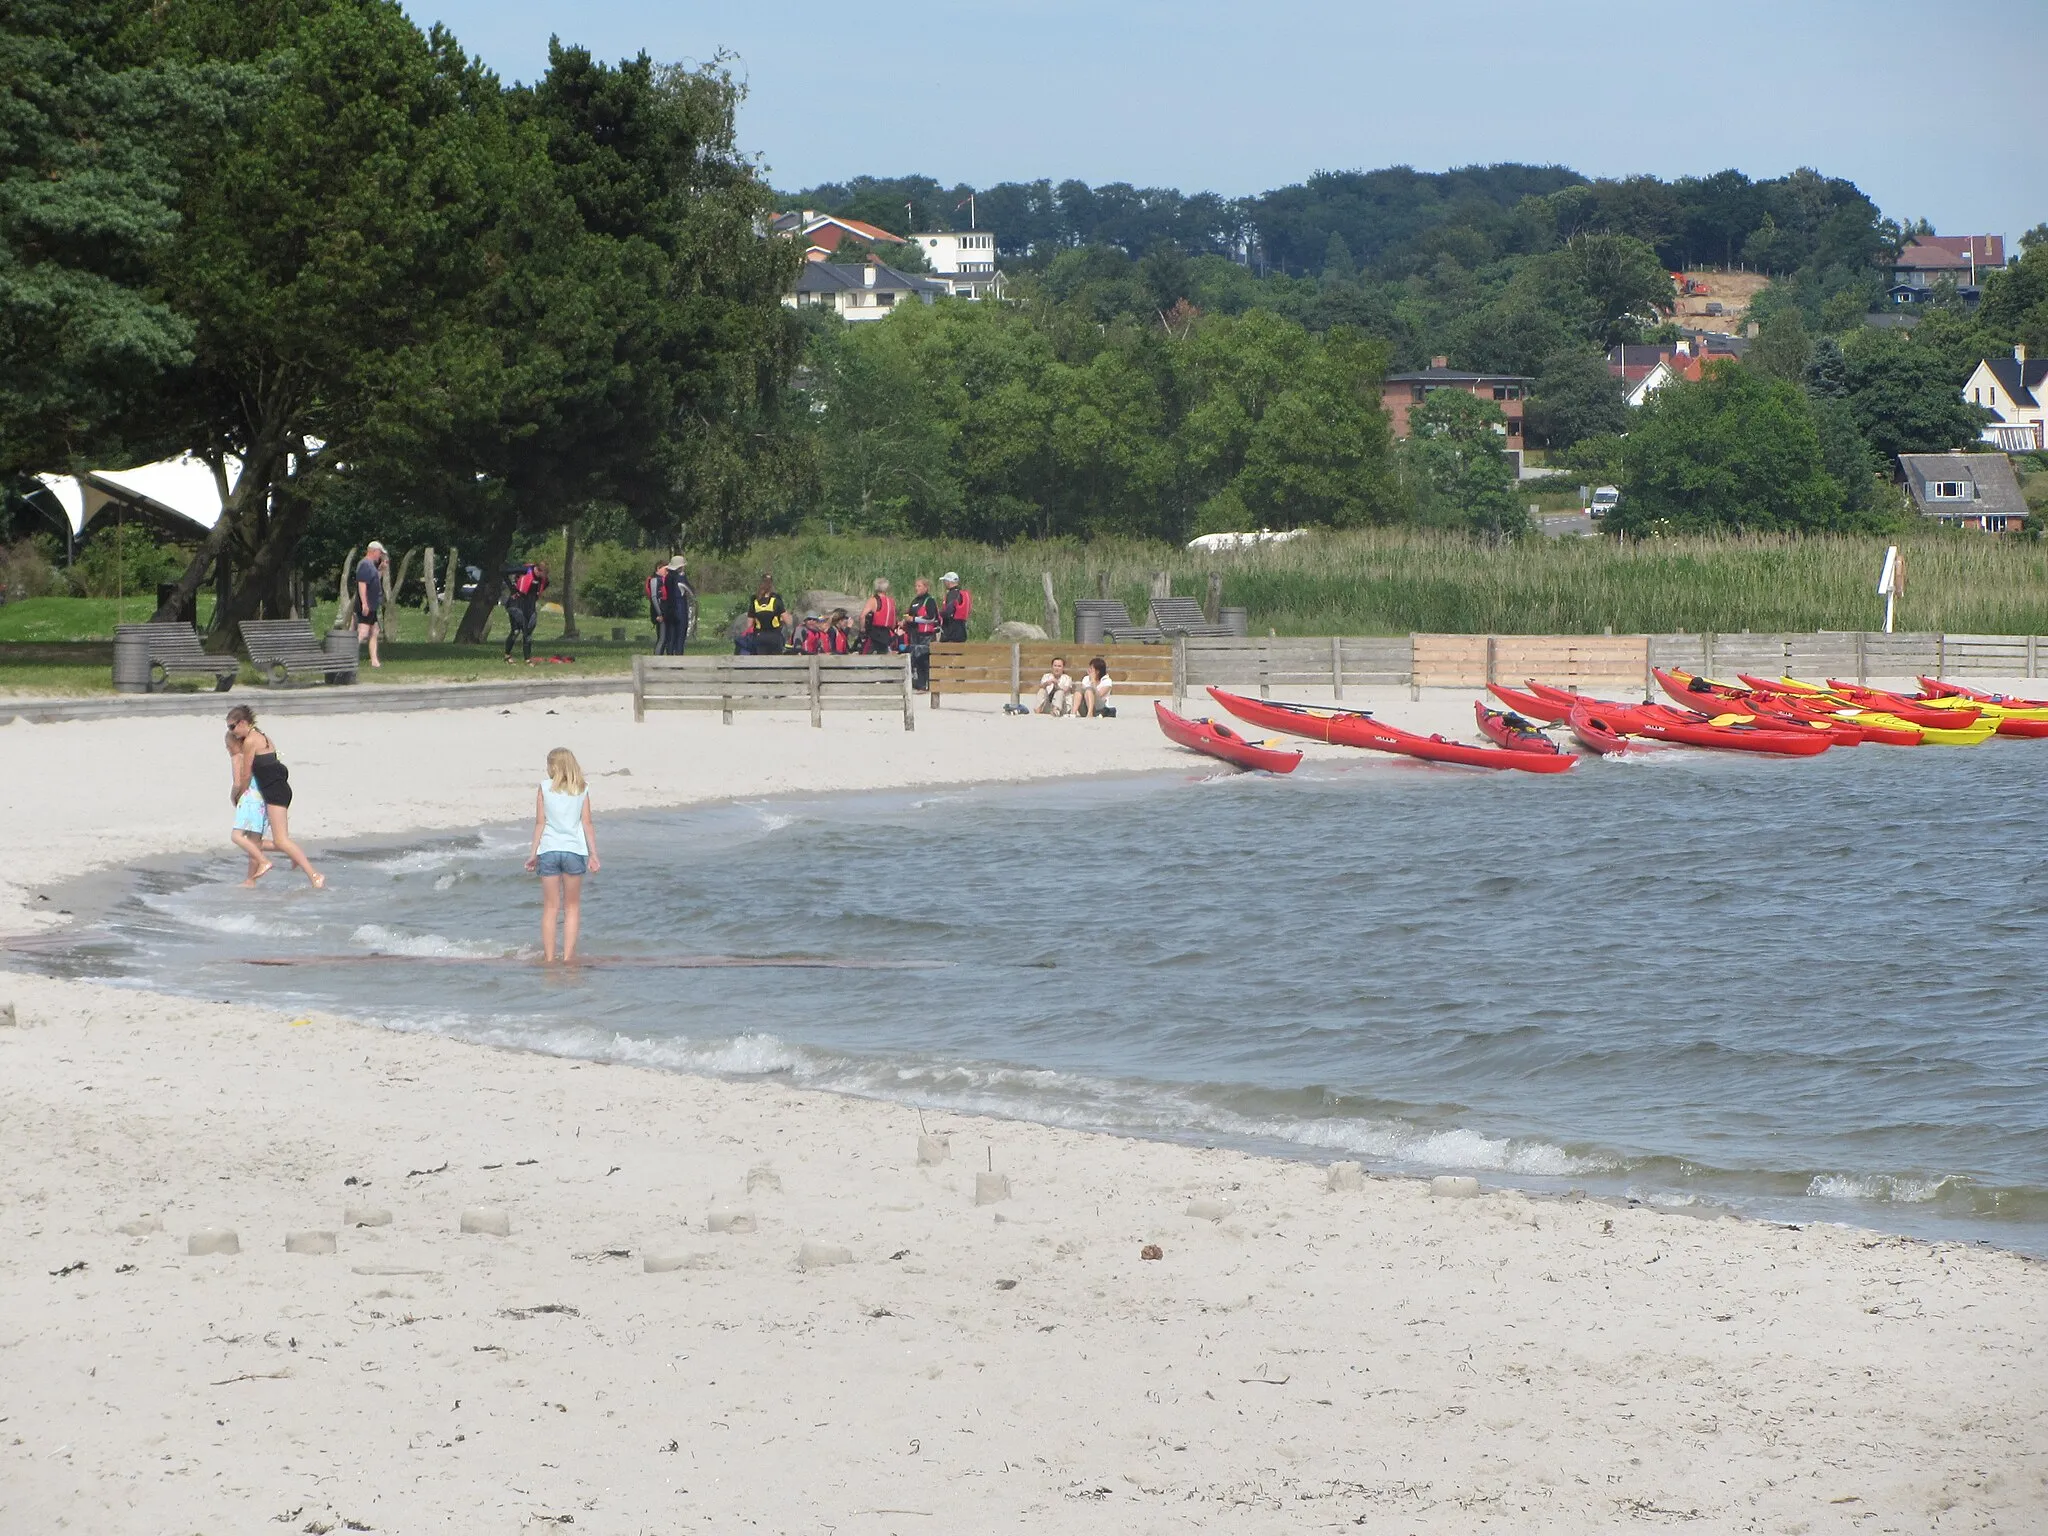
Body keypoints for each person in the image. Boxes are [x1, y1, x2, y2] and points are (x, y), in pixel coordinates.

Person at [225, 705, 323, 889]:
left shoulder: (250, 741)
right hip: (277, 789)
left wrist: (239, 795)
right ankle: (251, 880)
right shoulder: (264, 737)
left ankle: (315, 875)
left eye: (232, 727)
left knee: (281, 840)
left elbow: (245, 775)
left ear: (243, 722)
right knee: (259, 841)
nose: (231, 732)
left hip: (276, 792)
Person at [523, 746, 599, 963]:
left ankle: (549, 959)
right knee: (572, 907)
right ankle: (567, 958)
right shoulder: (581, 788)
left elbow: (540, 823)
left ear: (553, 767)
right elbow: (587, 823)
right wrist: (593, 854)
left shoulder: (544, 788)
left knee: (550, 908)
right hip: (574, 850)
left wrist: (533, 853)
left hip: (549, 850)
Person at [227, 728, 272, 885]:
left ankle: (263, 861)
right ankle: (250, 880)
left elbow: (238, 782)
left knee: (237, 836)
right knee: (254, 841)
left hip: (249, 798)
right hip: (261, 798)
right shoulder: (251, 756)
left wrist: (234, 796)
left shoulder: (237, 758)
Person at [504, 559, 547, 662]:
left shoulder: (543, 579)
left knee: (528, 632)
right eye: (542, 573)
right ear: (537, 570)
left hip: (529, 606)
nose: (543, 576)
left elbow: (544, 585)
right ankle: (507, 656)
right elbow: (504, 572)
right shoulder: (525, 570)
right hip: (515, 604)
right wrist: (512, 589)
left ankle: (527, 659)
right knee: (516, 631)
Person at [355, 541, 386, 669]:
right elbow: (362, 584)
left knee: (374, 631)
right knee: (362, 632)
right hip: (366, 604)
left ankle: (374, 661)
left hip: (372, 604)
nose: (380, 556)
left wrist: (381, 570)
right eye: (380, 553)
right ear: (373, 551)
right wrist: (364, 604)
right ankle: (348, 656)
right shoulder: (365, 565)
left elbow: (374, 580)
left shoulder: (372, 566)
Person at [738, 573, 787, 655]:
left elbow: (749, 623)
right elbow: (786, 619)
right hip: (774, 636)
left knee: (762, 662)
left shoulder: (755, 600)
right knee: (776, 662)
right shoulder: (776, 599)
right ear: (771, 584)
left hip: (760, 636)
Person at [905, 576, 940, 690]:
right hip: (914, 634)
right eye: (916, 586)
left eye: (919, 586)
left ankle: (930, 684)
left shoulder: (929, 600)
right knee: (917, 659)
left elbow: (931, 618)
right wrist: (904, 622)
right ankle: (920, 684)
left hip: (926, 635)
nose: (916, 588)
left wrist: (914, 619)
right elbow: (910, 615)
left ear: (926, 587)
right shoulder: (915, 601)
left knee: (925, 659)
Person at [660, 557, 694, 655]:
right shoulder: (680, 578)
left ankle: (670, 656)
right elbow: (691, 592)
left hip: (669, 609)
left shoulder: (667, 577)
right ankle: (678, 658)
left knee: (670, 636)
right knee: (680, 637)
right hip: (680, 608)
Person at [859, 578, 898, 655]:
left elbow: (862, 616)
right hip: (886, 633)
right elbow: (893, 621)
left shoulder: (873, 600)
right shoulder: (891, 601)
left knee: (864, 654)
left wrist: (862, 629)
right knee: (883, 655)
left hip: (874, 632)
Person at [939, 570, 972, 643]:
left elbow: (948, 612)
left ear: (949, 582)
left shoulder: (952, 594)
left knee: (947, 652)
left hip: (951, 630)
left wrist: (938, 614)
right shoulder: (961, 593)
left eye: (945, 581)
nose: (944, 583)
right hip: (961, 629)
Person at [646, 560, 670, 653]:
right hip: (659, 613)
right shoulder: (655, 580)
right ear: (658, 568)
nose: (667, 572)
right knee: (662, 638)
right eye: (665, 569)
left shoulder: (664, 580)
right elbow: (654, 598)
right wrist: (659, 613)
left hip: (665, 611)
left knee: (666, 638)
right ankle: (656, 661)